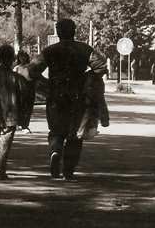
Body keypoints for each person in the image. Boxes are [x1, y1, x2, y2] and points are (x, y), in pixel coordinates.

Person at [29, 18, 107, 181]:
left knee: (56, 131)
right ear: (74, 31)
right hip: (78, 97)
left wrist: (45, 84)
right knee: (75, 134)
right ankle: (68, 171)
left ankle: (55, 150)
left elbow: (32, 69)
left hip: (55, 96)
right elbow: (101, 67)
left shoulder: (50, 51)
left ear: (58, 33)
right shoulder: (85, 49)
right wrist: (88, 77)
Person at [0, 44, 33, 180]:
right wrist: (25, 118)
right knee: (6, 140)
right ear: (12, 60)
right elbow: (26, 97)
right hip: (11, 115)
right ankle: (1, 166)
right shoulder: (17, 78)